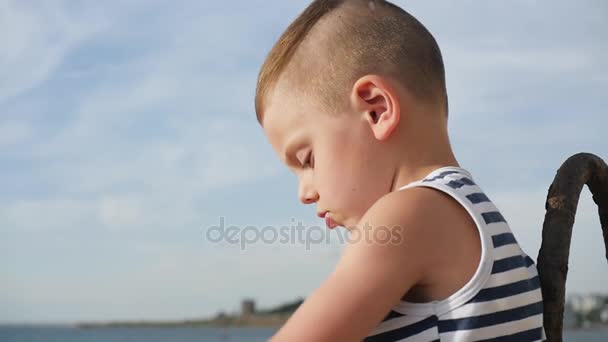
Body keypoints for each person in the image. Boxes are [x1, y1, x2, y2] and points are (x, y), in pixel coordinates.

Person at [254, 0, 545, 340]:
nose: (304, 193)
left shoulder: (407, 214)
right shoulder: (475, 212)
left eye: (307, 161)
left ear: (376, 110)